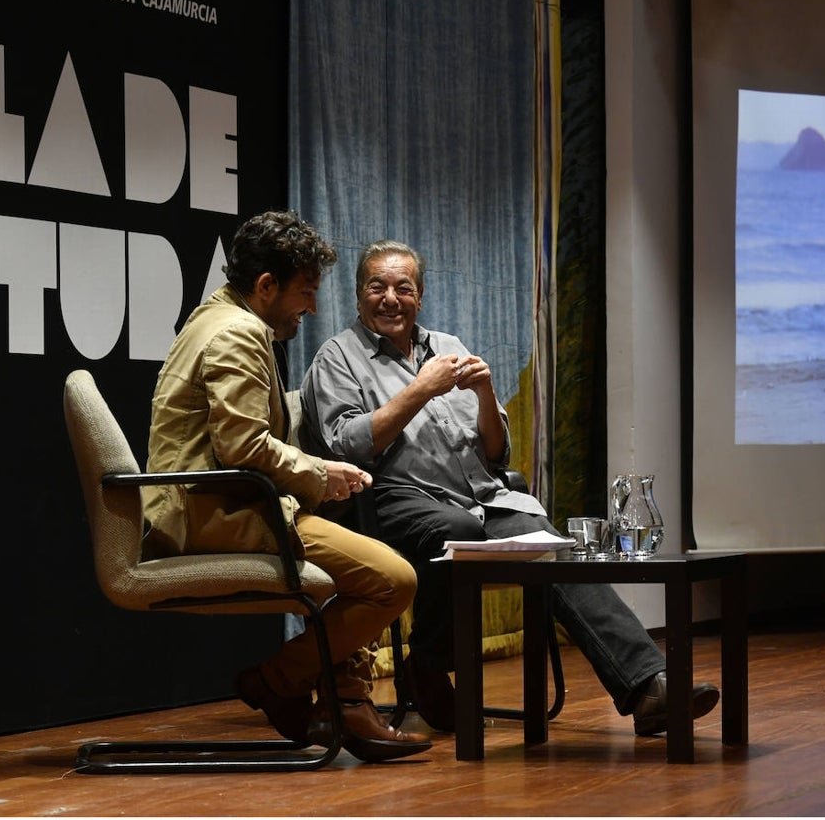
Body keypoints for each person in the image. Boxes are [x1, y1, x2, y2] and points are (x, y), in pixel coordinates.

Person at [299, 238, 720, 736]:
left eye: (403, 288)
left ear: (420, 296)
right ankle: (429, 665)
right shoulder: (337, 357)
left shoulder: (449, 346)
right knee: (454, 529)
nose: (390, 298)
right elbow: (345, 446)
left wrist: (485, 392)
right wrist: (419, 390)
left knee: (547, 541)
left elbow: (496, 452)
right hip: (393, 499)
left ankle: (648, 685)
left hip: (483, 496)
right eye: (378, 286)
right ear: (358, 295)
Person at [143, 211, 431, 763]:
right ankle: (277, 681)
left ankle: (344, 700)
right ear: (266, 286)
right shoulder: (238, 333)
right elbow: (243, 447)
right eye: (305, 292)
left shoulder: (214, 315)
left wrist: (316, 466)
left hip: (215, 503)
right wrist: (321, 472)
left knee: (350, 521)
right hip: (212, 513)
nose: (313, 308)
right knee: (393, 580)